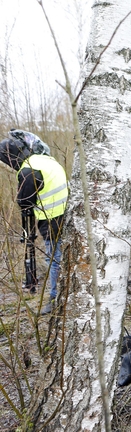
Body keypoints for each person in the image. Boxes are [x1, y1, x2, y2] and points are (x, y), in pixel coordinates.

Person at [0, 130, 68, 314]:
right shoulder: (46, 160)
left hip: (53, 218)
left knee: (54, 260)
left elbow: (25, 202)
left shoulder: (28, 170)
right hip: (64, 214)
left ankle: (55, 299)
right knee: (59, 258)